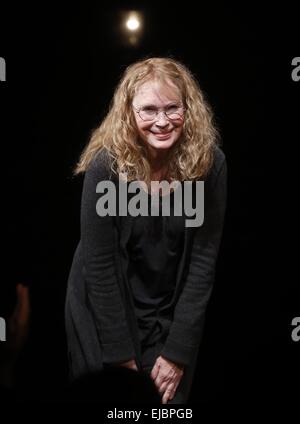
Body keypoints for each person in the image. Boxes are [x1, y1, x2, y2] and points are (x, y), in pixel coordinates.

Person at [65, 57, 227, 404]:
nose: (162, 121)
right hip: (103, 308)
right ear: (128, 112)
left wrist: (178, 352)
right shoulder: (105, 167)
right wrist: (120, 357)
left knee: (166, 411)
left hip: (168, 308)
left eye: (172, 108)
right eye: (149, 110)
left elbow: (203, 262)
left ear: (189, 109)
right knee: (112, 408)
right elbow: (99, 267)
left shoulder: (209, 164)